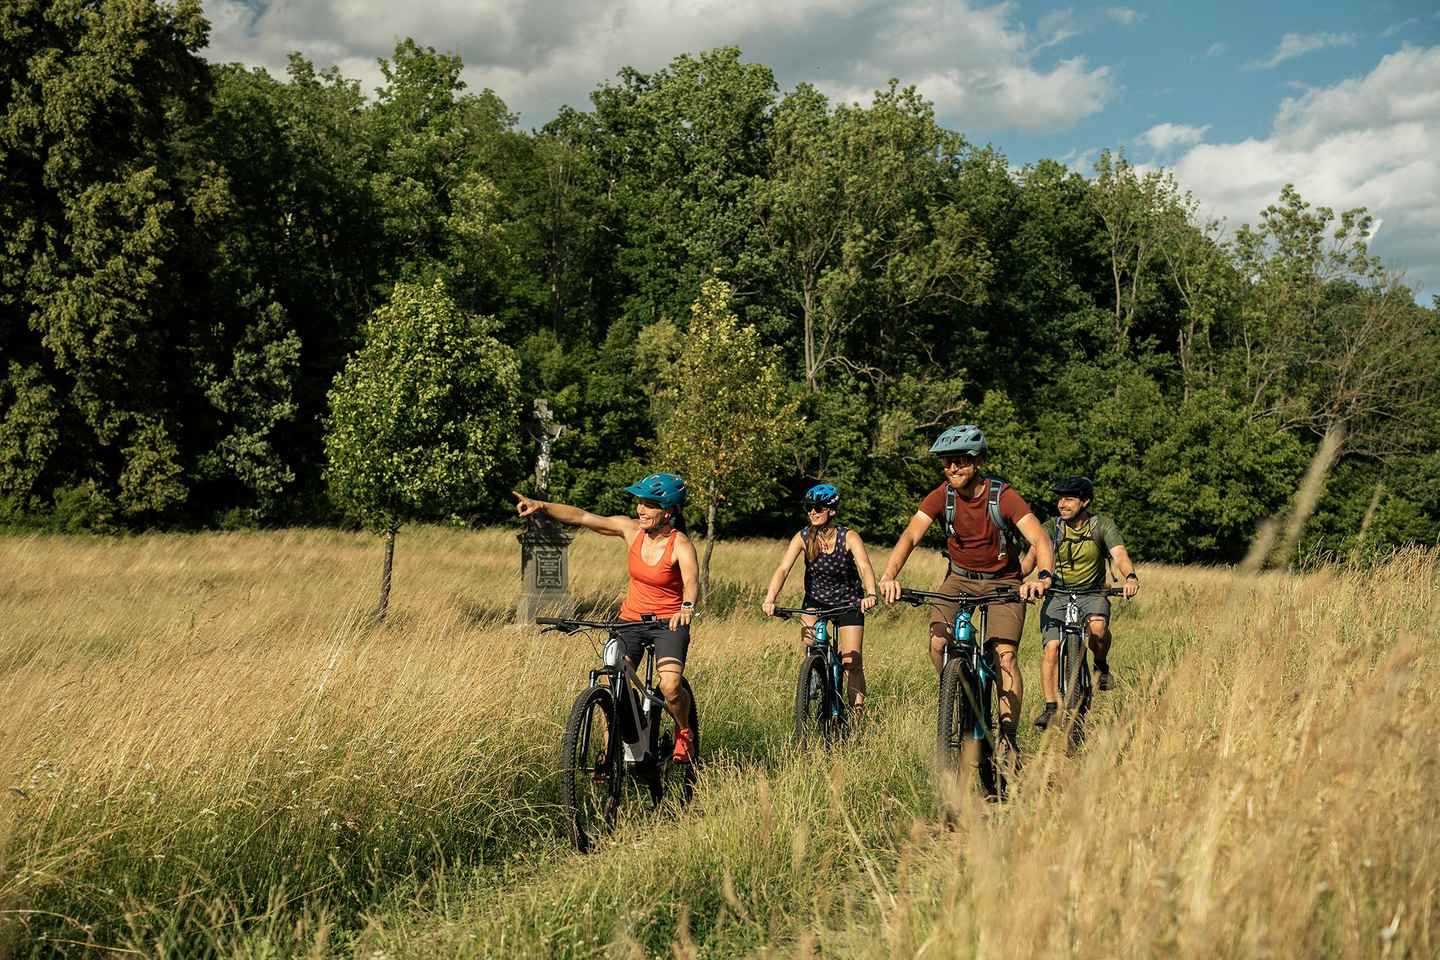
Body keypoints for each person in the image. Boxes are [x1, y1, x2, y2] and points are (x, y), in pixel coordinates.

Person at [876, 424, 1054, 761]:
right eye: (946, 463)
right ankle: (955, 691)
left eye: (961, 461)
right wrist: (889, 575)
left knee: (1005, 656)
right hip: (958, 578)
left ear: (978, 461)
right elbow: (911, 536)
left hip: (1004, 582)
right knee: (938, 641)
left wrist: (1042, 577)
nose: (953, 468)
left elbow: (1040, 540)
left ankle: (1008, 737)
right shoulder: (940, 496)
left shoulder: (1004, 496)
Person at [512, 473, 699, 762]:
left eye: (649, 505)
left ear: (668, 511)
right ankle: (616, 749)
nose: (640, 509)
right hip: (630, 621)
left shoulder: (680, 544)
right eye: (639, 502)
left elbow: (691, 579)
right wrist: (541, 505)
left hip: (667, 624)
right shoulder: (631, 530)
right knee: (615, 679)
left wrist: (686, 607)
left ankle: (684, 731)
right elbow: (584, 517)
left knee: (670, 686)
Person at [1025, 476, 1139, 730]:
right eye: (1059, 499)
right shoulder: (1051, 527)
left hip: (1092, 592)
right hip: (1056, 593)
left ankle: (1100, 664)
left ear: (1085, 501)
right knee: (1052, 647)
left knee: (1098, 631)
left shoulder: (1102, 526)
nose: (1061, 504)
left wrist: (1130, 576)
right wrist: (1013, 580)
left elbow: (1119, 554)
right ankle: (1051, 706)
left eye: (1069, 499)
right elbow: (1031, 558)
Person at [761, 483, 880, 716]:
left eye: (818, 508)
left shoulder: (849, 537)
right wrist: (770, 598)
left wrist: (871, 594)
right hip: (816, 600)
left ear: (832, 510)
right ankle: (815, 672)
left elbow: (865, 567)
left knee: (851, 662)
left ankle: (856, 716)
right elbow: (783, 568)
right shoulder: (803, 537)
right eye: (809, 508)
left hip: (849, 602)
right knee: (809, 644)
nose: (812, 512)